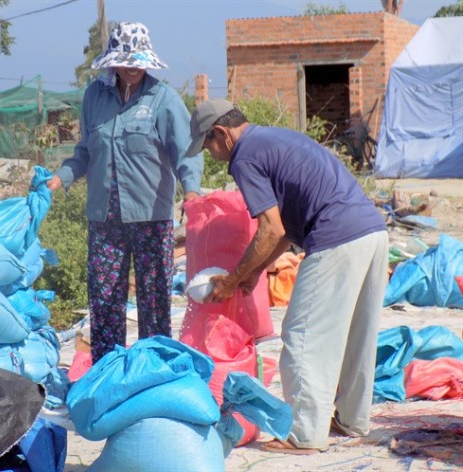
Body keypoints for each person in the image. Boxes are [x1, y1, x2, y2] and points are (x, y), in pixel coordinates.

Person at [185, 99, 388, 454]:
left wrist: (231, 280)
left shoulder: (244, 157)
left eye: (208, 145)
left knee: (302, 334)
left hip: (335, 236)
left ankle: (306, 434)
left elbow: (269, 228)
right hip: (372, 231)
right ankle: (352, 419)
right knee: (358, 334)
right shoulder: (270, 138)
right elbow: (283, 233)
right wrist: (255, 272)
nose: (212, 153)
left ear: (221, 133)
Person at [47, 22, 204, 364]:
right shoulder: (94, 97)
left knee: (154, 299)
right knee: (104, 300)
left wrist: (192, 191)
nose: (132, 67)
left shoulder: (163, 99)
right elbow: (86, 153)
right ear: (113, 61)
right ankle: (109, 368)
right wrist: (60, 178)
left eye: (138, 61)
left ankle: (155, 368)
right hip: (105, 220)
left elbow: (187, 152)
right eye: (126, 61)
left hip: (151, 217)